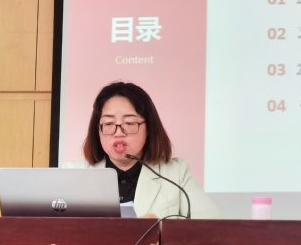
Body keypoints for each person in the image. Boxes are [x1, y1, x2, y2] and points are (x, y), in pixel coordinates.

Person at [64, 81, 221, 219]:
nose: (118, 133)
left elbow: (211, 225)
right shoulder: (72, 173)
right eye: (109, 124)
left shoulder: (176, 173)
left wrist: (159, 228)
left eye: (129, 123)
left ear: (149, 128)